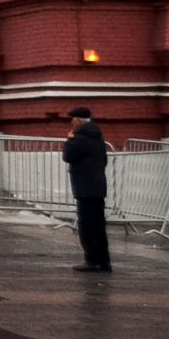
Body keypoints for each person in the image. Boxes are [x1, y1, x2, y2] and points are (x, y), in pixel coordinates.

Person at [63, 106, 111, 272]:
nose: (71, 123)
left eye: (72, 119)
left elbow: (67, 156)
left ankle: (92, 261)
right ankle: (104, 261)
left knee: (87, 226)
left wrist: (69, 140)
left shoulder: (80, 138)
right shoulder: (98, 137)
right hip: (97, 187)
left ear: (78, 121)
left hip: (84, 188)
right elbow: (104, 161)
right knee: (98, 226)